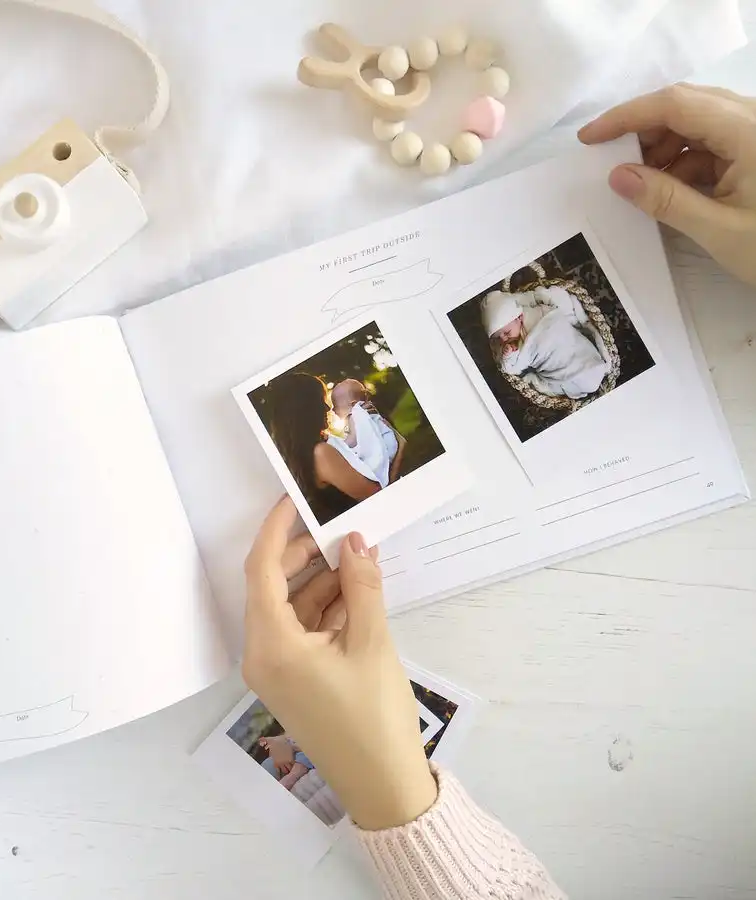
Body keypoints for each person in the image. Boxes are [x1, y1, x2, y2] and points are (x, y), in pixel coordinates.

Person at [242, 82, 756, 900]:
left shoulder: (528, 324)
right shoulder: (347, 433)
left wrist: (390, 792)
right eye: (343, 398)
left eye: (349, 395)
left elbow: (394, 443)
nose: (350, 400)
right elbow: (378, 450)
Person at [267, 372, 381, 525]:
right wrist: (399, 446)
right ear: (306, 409)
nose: (328, 407)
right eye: (321, 400)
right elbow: (378, 496)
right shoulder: (321, 453)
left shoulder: (297, 459)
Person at [481, 285, 609, 400]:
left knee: (546, 381)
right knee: (546, 385)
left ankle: (589, 369)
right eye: (498, 337)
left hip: (576, 354)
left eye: (507, 332)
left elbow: (550, 307)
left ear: (519, 317)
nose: (503, 339)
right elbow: (511, 368)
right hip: (560, 371)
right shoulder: (515, 347)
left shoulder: (536, 312)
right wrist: (508, 356)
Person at [331, 379, 407, 487]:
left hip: (383, 451)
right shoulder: (370, 413)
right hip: (390, 443)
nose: (333, 409)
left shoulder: (355, 415)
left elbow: (352, 441)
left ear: (353, 405)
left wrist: (338, 446)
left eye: (336, 405)